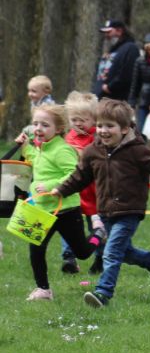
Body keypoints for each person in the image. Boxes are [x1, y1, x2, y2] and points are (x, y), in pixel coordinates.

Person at [52, 98, 150, 307]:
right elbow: (80, 177)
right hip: (105, 211)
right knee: (123, 252)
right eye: (100, 125)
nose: (103, 131)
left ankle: (103, 294)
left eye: (109, 126)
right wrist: (61, 190)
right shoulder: (93, 151)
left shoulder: (136, 149)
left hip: (129, 210)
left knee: (112, 252)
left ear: (124, 129)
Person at [16, 104, 98, 299]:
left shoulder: (62, 150)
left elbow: (74, 174)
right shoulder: (41, 147)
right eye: (35, 123)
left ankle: (99, 235)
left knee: (83, 252)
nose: (38, 128)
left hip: (66, 210)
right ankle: (43, 289)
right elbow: (34, 158)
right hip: (42, 210)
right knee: (36, 249)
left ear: (59, 129)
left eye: (45, 125)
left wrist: (53, 185)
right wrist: (24, 147)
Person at [61, 91, 104, 275]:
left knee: (96, 227)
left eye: (83, 120)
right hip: (74, 192)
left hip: (94, 193)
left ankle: (100, 258)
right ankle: (69, 258)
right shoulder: (68, 137)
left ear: (94, 119)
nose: (78, 124)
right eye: (74, 119)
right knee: (69, 226)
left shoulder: (98, 138)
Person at [93, 20, 140, 103]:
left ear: (119, 31)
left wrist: (110, 87)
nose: (106, 35)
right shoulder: (113, 50)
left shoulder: (130, 48)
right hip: (101, 97)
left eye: (109, 32)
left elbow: (127, 73)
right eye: (105, 33)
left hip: (116, 100)